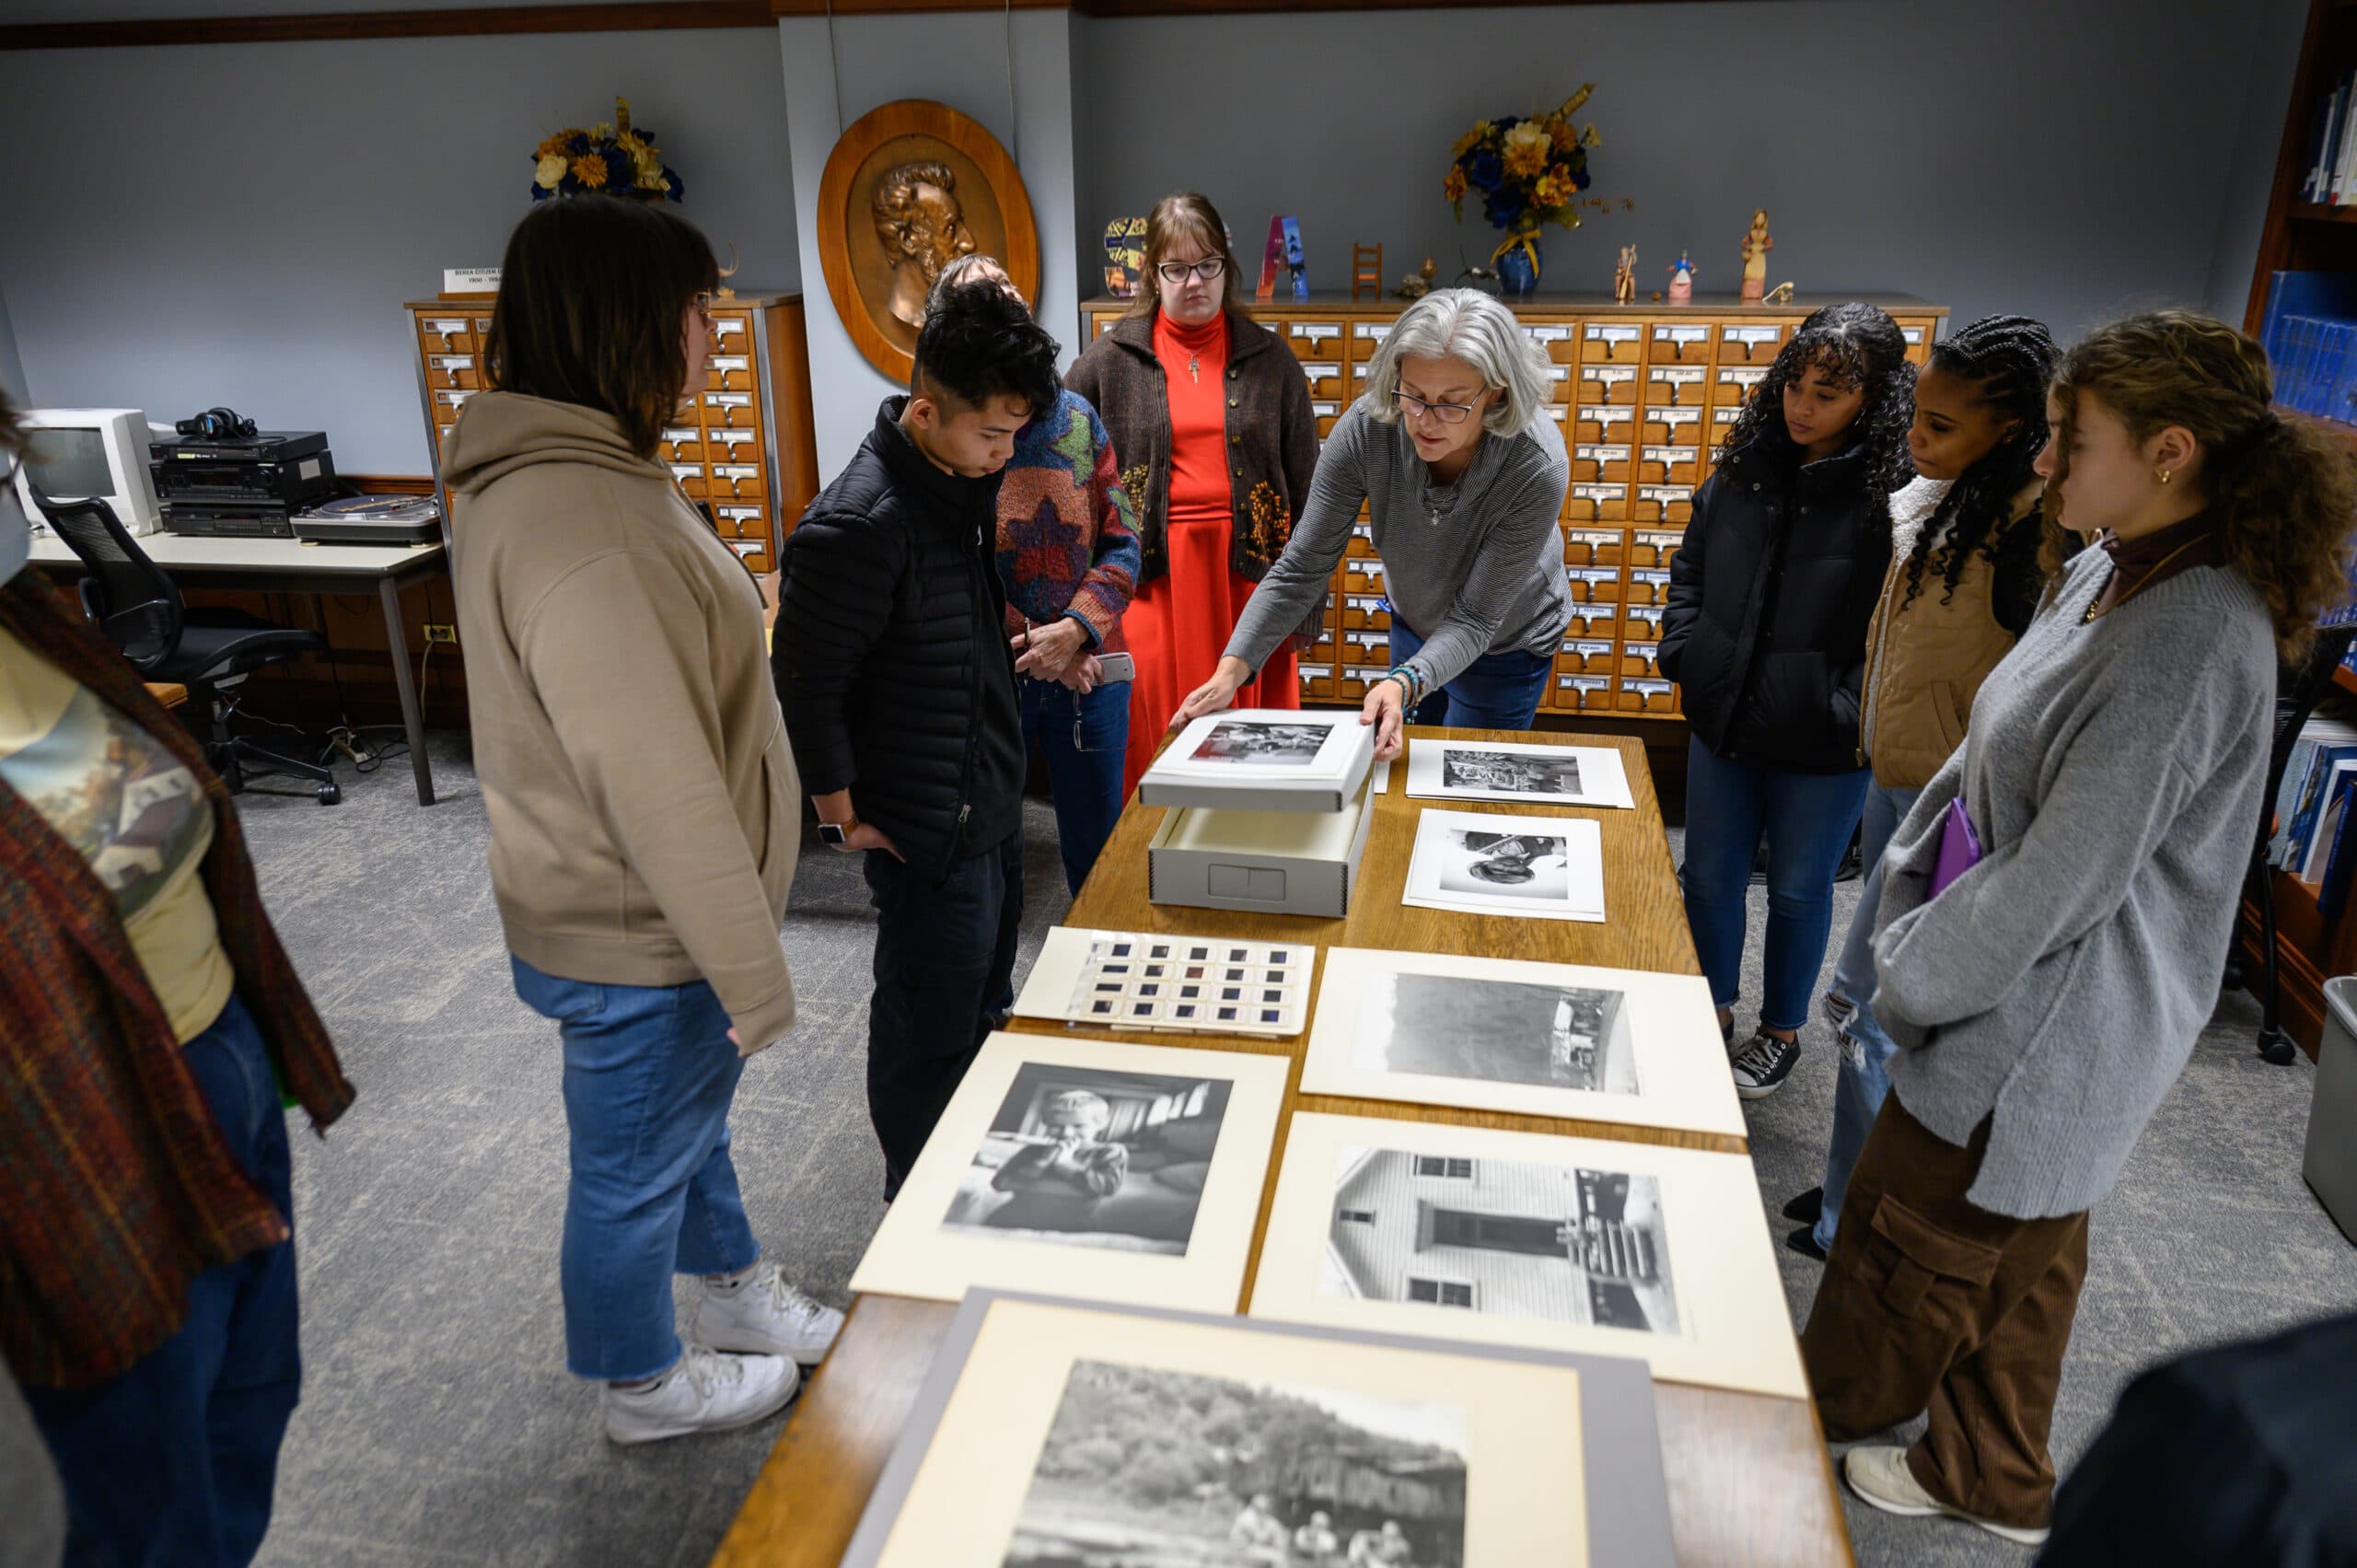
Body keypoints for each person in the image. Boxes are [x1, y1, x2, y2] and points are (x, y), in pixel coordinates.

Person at [1802, 311, 2355, 1546]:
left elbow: (2060, 880)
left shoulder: (2193, 634)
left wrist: (1911, 972)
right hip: (2012, 971)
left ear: (2168, 449)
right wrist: (1906, 888)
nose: (2045, 464)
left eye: (2070, 439)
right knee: (2029, 1247)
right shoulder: (2117, 557)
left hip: (2041, 1016)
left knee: (1913, 1243)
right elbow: (1994, 744)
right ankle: (1990, 1470)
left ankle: (1800, 1432)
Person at [445, 195, 840, 1446]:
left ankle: (730, 1298)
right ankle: (642, 1384)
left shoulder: (582, 475)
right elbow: (655, 780)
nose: (713, 344)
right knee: (626, 1170)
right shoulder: (585, 517)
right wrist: (754, 970)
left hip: (637, 916)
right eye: (698, 317)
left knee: (679, 1127)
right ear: (630, 324)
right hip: (640, 929)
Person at [0, 391, 356, 1562]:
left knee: (248, 1404)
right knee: (147, 1490)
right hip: (80, 1130)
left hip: (220, 1061)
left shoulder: (31, 620)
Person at [773, 278, 1060, 1198]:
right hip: (924, 828)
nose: (1004, 453)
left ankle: (971, 1189)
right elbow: (806, 684)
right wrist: (838, 816)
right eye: (990, 434)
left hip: (985, 804)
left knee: (982, 1000)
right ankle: (916, 1208)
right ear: (926, 411)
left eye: (1015, 433)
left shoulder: (951, 483)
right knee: (926, 1030)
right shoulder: (857, 524)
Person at [1782, 315, 2058, 1261]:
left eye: (1940, 427)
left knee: (1883, 1016)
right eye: (1919, 419)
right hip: (1894, 778)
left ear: (2012, 426)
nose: (1916, 439)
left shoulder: (2031, 530)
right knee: (1856, 1000)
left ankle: (1850, 1222)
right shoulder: (1942, 497)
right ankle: (1848, 1182)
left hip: (1953, 811)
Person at [1658, 301, 1916, 1098]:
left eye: (1828, 394)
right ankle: (1712, 1006)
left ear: (1872, 401)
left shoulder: (1893, 497)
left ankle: (1780, 1030)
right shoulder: (1744, 469)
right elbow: (1692, 568)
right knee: (1707, 874)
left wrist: (1844, 708)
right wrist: (1687, 650)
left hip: (1821, 739)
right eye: (1796, 386)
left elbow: (1897, 625)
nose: (1803, 407)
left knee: (1802, 888)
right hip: (1725, 712)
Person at [1175, 287, 1572, 761]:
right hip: (1416, 615)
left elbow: (1476, 618)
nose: (1425, 420)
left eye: (1452, 403)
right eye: (1414, 395)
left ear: (1497, 393)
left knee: (1463, 783)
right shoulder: (1369, 428)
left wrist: (1404, 680)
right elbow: (1302, 567)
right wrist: (1231, 671)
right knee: (1400, 771)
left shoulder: (1535, 464)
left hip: (1506, 640)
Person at [1065, 192, 1323, 795]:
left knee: (1253, 739)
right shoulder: (1108, 360)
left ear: (1226, 267)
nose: (1193, 281)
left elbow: (1312, 490)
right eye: (1175, 268)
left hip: (1252, 576)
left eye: (1207, 264)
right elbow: (1067, 469)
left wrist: (1305, 605)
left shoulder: (1271, 358)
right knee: (1156, 723)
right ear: (1152, 273)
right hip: (1149, 576)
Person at [930, 254, 1142, 895]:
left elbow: (1125, 540)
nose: (1003, 305)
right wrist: (1038, 643)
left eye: (1007, 292)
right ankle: (994, 995)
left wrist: (1076, 632)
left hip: (1089, 668)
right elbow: (947, 562)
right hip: (995, 676)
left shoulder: (1077, 418)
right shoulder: (947, 432)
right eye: (980, 301)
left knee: (1099, 854)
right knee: (991, 859)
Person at [1229, 1493, 1290, 1565]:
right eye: (1261, 1507)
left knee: (1279, 1554)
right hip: (1244, 1550)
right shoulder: (1247, 1517)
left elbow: (1276, 1529)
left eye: (1265, 1507)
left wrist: (1279, 1539)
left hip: (1253, 1548)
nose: (1264, 1509)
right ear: (1254, 1506)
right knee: (1278, 1557)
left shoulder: (1262, 1517)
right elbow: (1259, 1537)